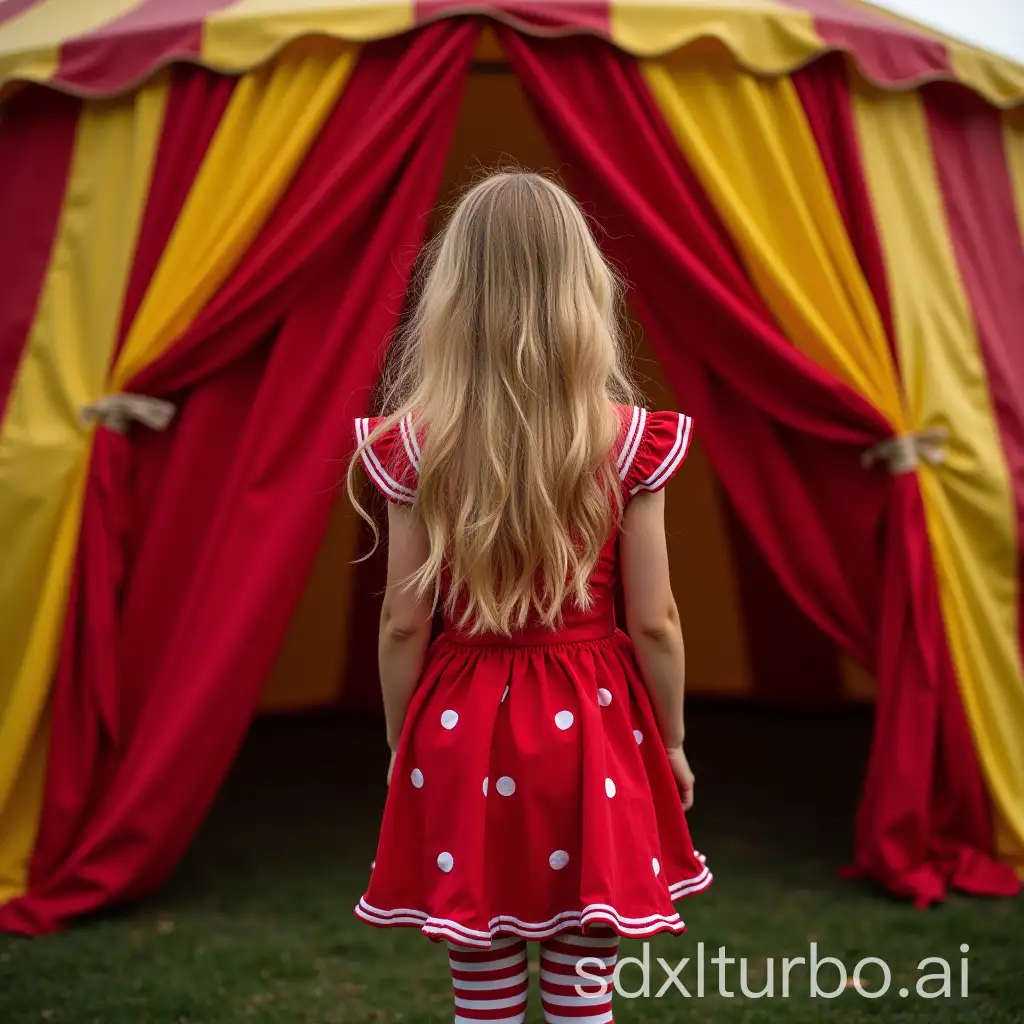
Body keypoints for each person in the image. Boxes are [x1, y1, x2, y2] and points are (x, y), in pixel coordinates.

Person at [346, 171, 710, 1024]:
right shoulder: (626, 443)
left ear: (452, 297)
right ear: (584, 291)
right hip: (594, 729)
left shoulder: (412, 445)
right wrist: (676, 740)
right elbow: (654, 620)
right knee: (585, 985)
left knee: (485, 986)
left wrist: (404, 739)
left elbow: (404, 620)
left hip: (460, 728)